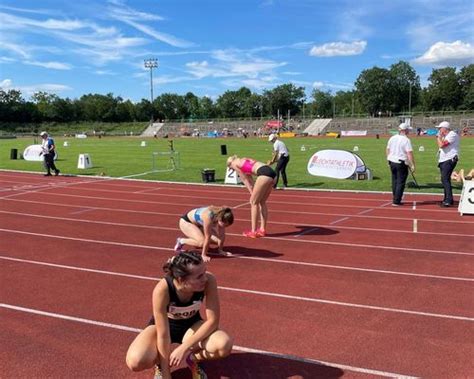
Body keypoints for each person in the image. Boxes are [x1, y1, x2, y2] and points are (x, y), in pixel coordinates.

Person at [126, 251, 233, 379]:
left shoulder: (209, 281)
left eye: (205, 272)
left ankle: (193, 360)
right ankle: (160, 365)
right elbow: (163, 334)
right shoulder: (162, 290)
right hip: (163, 328)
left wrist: (184, 348)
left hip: (191, 325)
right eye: (199, 276)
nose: (205, 278)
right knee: (135, 361)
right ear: (181, 279)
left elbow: (213, 321)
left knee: (224, 345)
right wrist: (166, 374)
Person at [226, 155, 276, 238]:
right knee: (262, 202)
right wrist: (253, 191)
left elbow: (245, 180)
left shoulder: (234, 164)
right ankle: (262, 229)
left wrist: (252, 193)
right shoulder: (243, 159)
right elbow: (250, 178)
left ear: (230, 164)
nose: (232, 170)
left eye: (231, 168)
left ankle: (253, 231)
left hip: (264, 174)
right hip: (272, 173)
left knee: (253, 202)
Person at [386, 123, 415, 206]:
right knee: (400, 182)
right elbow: (409, 153)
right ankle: (397, 200)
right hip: (401, 162)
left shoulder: (392, 138)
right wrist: (412, 164)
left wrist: (388, 159)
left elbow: (387, 149)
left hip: (392, 161)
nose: (409, 131)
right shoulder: (406, 140)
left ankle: (395, 197)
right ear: (405, 130)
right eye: (408, 130)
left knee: (394, 180)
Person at [436, 121, 460, 207]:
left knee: (445, 179)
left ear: (444, 128)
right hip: (445, 160)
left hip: (449, 159)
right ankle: (447, 199)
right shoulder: (446, 136)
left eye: (440, 128)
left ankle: (448, 200)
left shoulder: (452, 134)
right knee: (444, 179)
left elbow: (442, 145)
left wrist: (438, 137)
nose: (439, 130)